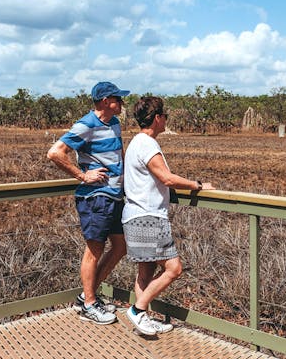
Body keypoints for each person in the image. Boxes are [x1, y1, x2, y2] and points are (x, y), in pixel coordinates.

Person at [123, 96, 215, 335]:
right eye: (165, 116)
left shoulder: (135, 142)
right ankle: (137, 310)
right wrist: (197, 185)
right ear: (157, 118)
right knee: (174, 268)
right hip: (148, 217)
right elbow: (167, 178)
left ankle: (142, 318)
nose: (166, 120)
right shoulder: (148, 145)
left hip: (134, 214)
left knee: (145, 271)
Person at [46, 81, 130, 325]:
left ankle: (88, 295)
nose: (122, 103)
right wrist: (83, 175)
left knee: (120, 246)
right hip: (96, 197)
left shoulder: (114, 123)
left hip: (114, 195)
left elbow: (119, 155)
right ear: (106, 101)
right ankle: (89, 305)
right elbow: (55, 153)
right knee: (94, 250)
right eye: (118, 99)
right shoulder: (86, 124)